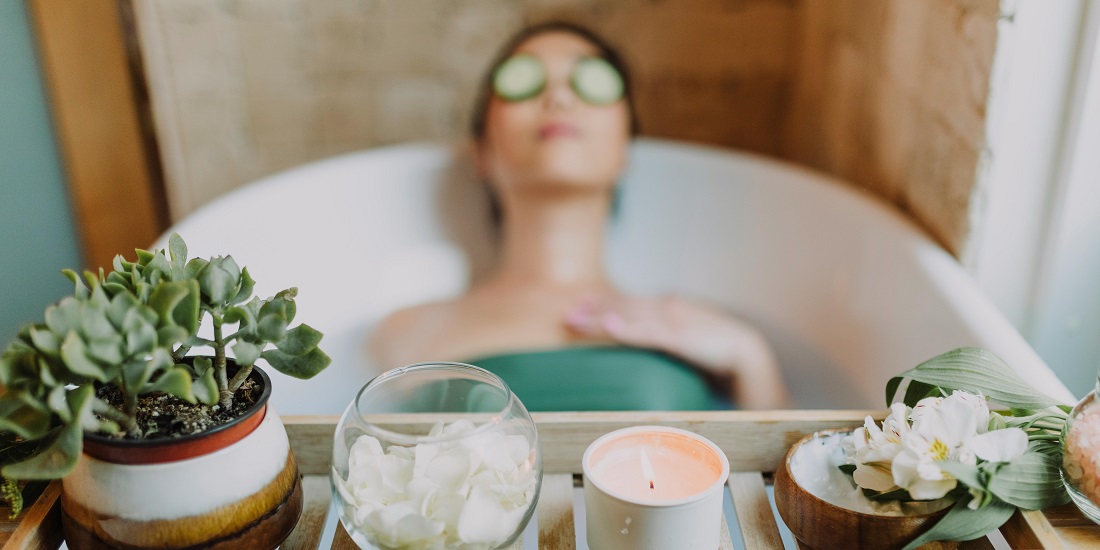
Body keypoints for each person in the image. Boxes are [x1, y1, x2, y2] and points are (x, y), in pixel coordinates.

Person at [370, 22, 789, 410]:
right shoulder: (405, 332)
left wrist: (751, 358)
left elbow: (788, 480)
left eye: (589, 82)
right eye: (525, 81)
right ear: (482, 151)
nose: (559, 98)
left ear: (626, 146)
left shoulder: (701, 330)